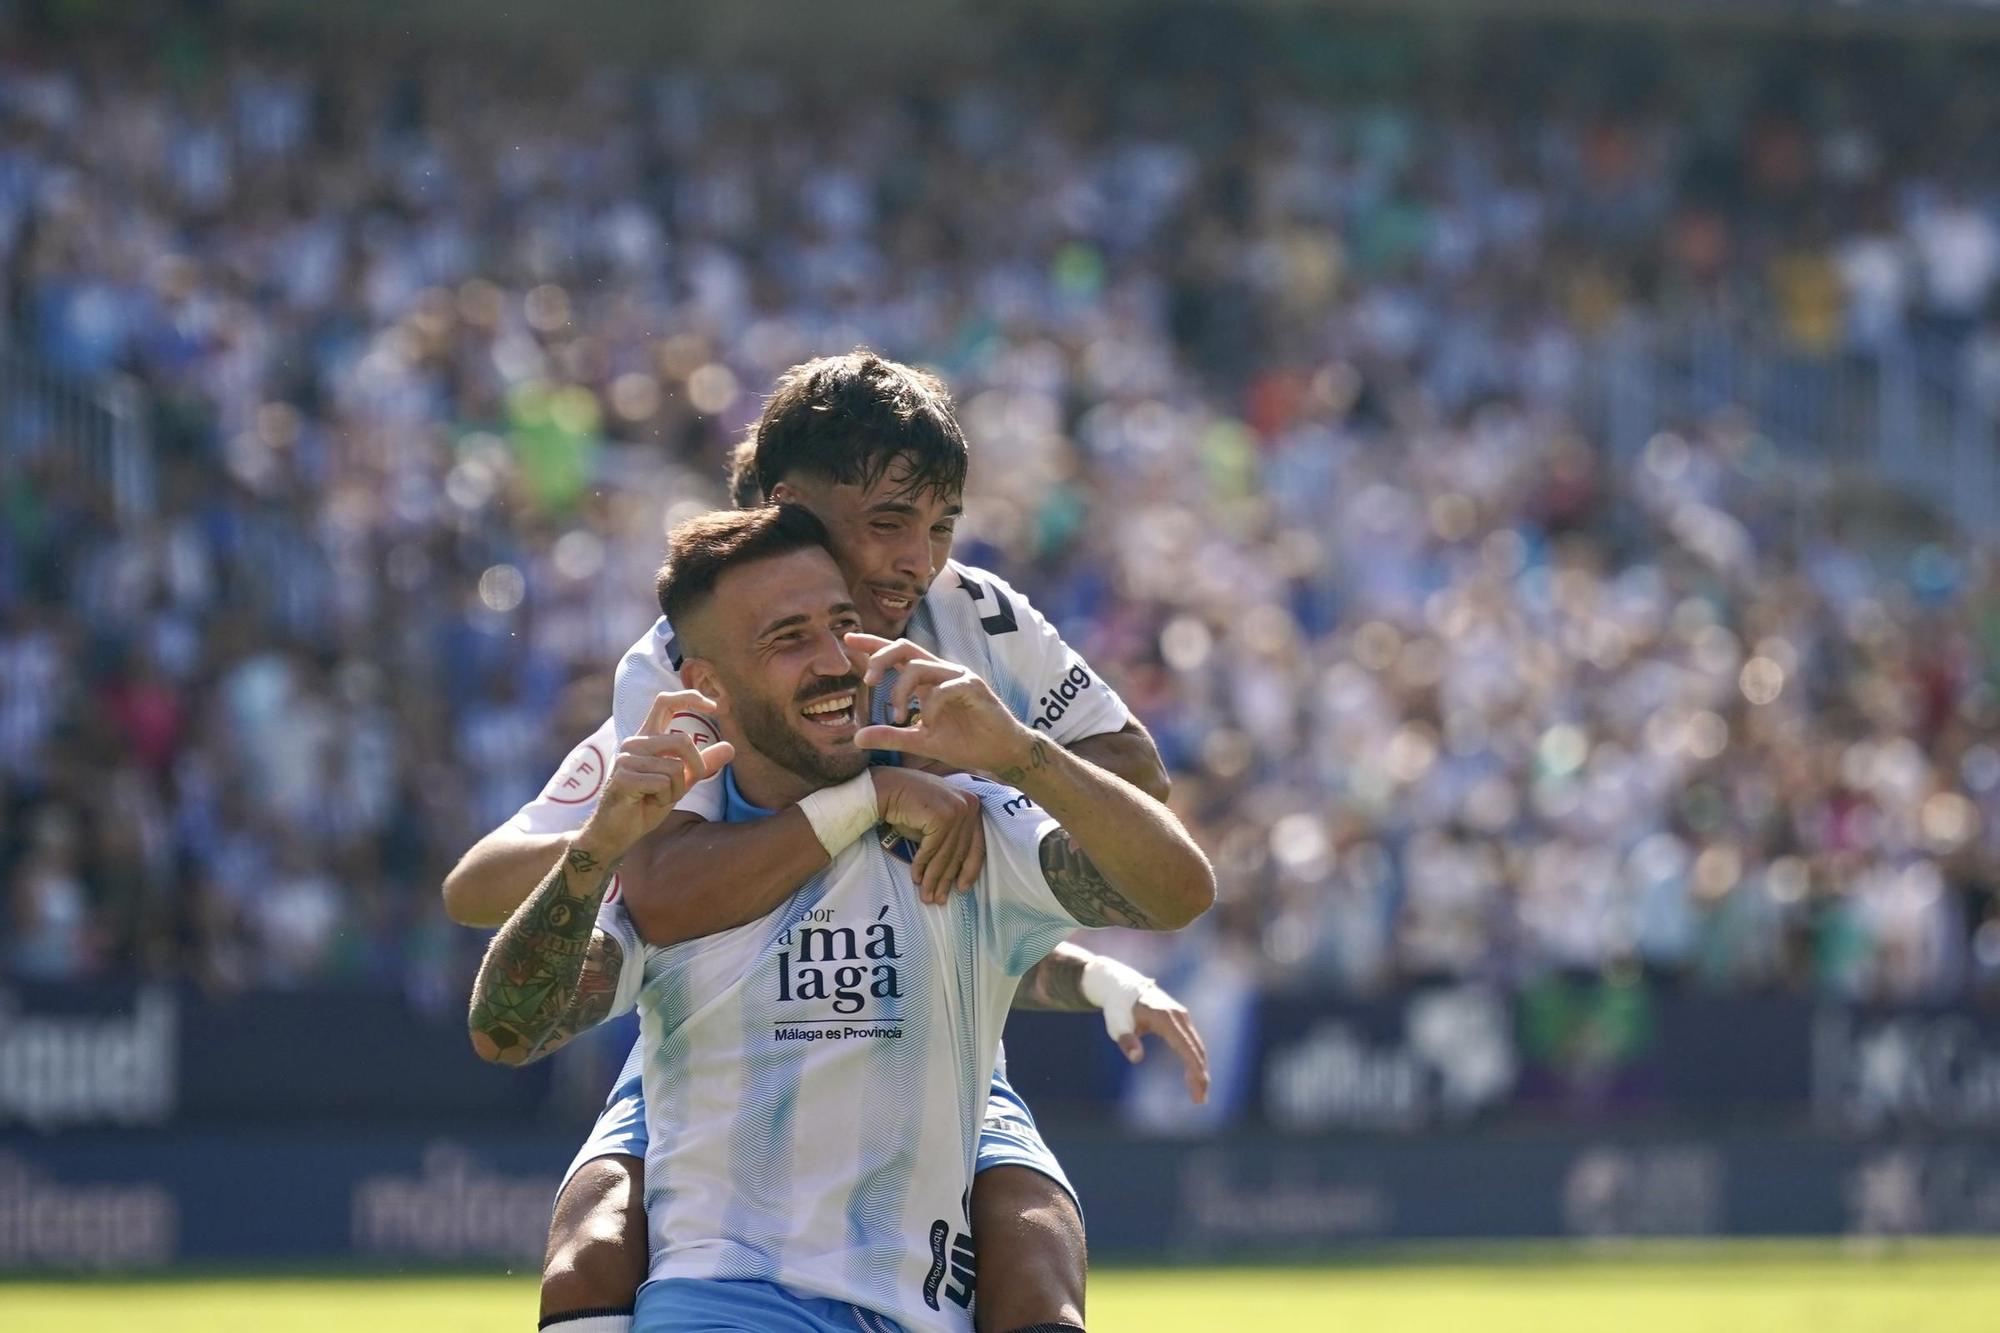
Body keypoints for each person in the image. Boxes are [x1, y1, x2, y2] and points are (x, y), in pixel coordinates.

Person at [444, 351, 1206, 1332]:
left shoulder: (970, 619)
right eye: (887, 523)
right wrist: (860, 796)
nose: (916, 561)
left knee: (1035, 1274)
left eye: (939, 527)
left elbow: (1134, 792)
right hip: (716, 1018)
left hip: (937, 1041)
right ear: (782, 508)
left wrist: (992, 766)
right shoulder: (686, 660)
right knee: (589, 1255)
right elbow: (563, 893)